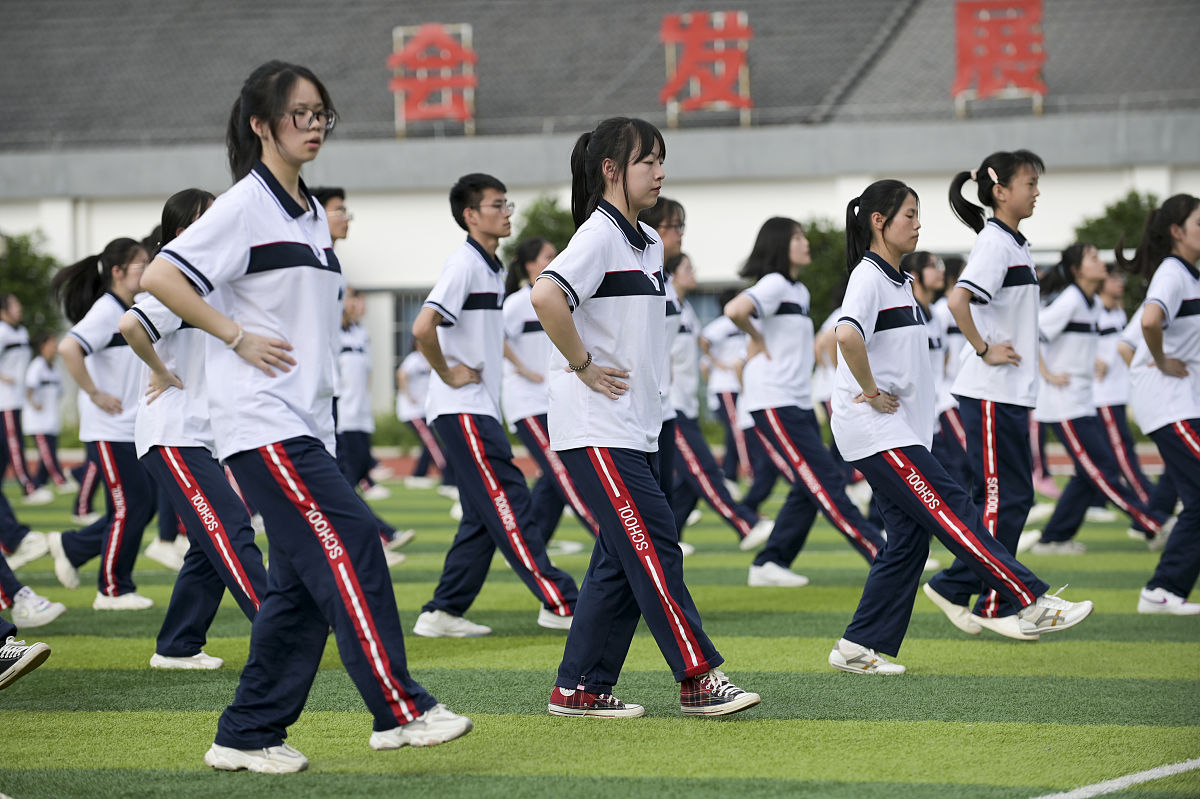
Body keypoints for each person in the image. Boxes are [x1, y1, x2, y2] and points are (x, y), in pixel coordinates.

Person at [141, 60, 472, 773]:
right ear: (261, 124)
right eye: (299, 113)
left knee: (294, 592)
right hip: (260, 424)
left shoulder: (314, 213)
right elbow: (160, 275)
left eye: (321, 113)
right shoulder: (240, 206)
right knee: (354, 540)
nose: (314, 125)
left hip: (305, 423)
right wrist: (232, 335)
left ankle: (247, 732)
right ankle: (399, 707)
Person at [533, 116, 759, 718]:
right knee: (656, 545)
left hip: (637, 426)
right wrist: (581, 363)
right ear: (611, 171)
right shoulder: (597, 236)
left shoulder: (649, 242)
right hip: (597, 428)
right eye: (646, 161)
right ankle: (697, 676)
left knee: (618, 559)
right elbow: (545, 295)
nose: (659, 172)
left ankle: (578, 687)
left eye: (662, 160)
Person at [829, 179, 1094, 673]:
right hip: (878, 432)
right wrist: (867, 390)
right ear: (879, 222)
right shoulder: (867, 276)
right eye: (910, 214)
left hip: (900, 430)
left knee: (908, 542)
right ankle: (1030, 600)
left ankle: (856, 647)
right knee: (954, 511)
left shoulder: (897, 280)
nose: (919, 224)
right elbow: (846, 335)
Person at [411, 173, 579, 638]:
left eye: (508, 203)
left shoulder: (489, 266)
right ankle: (560, 600)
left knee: (482, 516)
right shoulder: (464, 264)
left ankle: (442, 611)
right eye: (497, 204)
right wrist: (448, 373)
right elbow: (424, 327)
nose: (507, 211)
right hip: (461, 409)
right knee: (510, 498)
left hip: (477, 408)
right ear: (471, 215)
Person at [118, 187, 270, 671]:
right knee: (230, 528)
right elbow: (131, 324)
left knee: (209, 544)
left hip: (202, 436)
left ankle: (177, 645)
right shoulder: (178, 279)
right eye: (210, 219)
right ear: (183, 232)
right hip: (173, 434)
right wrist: (160, 371)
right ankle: (280, 627)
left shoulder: (211, 281)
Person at [925, 150, 1052, 637]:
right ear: (1000, 191)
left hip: (1010, 395)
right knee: (1005, 499)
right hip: (991, 392)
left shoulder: (1015, 243)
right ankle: (997, 604)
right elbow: (960, 299)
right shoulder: (995, 243)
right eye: (1029, 183)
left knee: (1009, 498)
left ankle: (958, 586)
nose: (1036, 191)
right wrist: (983, 349)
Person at [726, 217, 885, 587]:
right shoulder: (776, 283)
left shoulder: (798, 290)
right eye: (797, 237)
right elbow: (735, 309)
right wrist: (755, 337)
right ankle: (879, 552)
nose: (805, 242)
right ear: (781, 245)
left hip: (794, 401)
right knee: (826, 480)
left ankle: (771, 561)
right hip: (774, 400)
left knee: (806, 484)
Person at [1029, 244, 1171, 553]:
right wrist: (1049, 374)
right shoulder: (1070, 301)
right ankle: (1152, 524)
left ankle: (1054, 538)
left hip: (1082, 400)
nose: (1101, 262)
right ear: (1078, 269)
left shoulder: (1090, 302)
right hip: (1063, 404)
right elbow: (1031, 333)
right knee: (1102, 470)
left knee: (1086, 474)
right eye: (1093, 258)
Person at [47, 237, 157, 610]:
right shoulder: (107, 310)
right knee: (133, 506)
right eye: (141, 263)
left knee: (140, 505)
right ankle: (112, 590)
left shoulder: (132, 307)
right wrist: (94, 393)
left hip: (130, 428)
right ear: (117, 272)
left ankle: (72, 547)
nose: (147, 268)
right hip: (108, 429)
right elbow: (68, 347)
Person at [1118, 193, 1200, 615]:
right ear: (1176, 232)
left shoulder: (1188, 275)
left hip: (1181, 404)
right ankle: (1162, 589)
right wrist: (1162, 360)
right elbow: (1149, 322)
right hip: (1170, 405)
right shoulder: (1173, 273)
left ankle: (1163, 591)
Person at [666, 252, 772, 550]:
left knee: (690, 481)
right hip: (669, 406)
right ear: (672, 274)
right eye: (688, 267)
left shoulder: (684, 308)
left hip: (685, 405)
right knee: (705, 471)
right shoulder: (662, 303)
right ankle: (744, 524)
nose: (694, 271)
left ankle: (667, 541)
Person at [501, 236, 597, 551]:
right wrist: (523, 368)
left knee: (552, 477)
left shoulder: (561, 299)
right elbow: (495, 337)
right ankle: (606, 534)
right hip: (526, 402)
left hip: (553, 399)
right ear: (530, 265)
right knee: (563, 468)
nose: (554, 260)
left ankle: (531, 546)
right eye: (548, 256)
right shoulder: (517, 302)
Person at [0, 294, 53, 505]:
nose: (19, 309)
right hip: (5, 401)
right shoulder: (2, 332)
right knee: (14, 444)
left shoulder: (21, 332)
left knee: (4, 451)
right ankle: (29, 487)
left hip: (17, 399)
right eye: (15, 306)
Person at [395, 343, 454, 491]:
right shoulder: (414, 359)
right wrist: (409, 396)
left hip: (425, 411)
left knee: (429, 443)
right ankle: (448, 479)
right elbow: (401, 374)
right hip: (412, 411)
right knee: (432, 443)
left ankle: (418, 475)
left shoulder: (430, 358)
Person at [23, 333, 74, 492]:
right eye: (52, 344)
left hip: (51, 420)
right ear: (43, 346)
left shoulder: (55, 368)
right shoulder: (36, 366)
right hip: (38, 421)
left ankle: (40, 483)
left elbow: (59, 391)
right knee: (48, 454)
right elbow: (29, 389)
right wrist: (34, 403)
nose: (55, 347)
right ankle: (60, 480)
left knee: (48, 453)